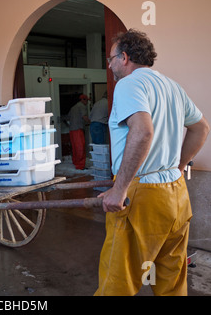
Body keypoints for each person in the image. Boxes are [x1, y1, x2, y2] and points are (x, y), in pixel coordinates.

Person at [95, 29, 210, 296]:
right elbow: (201, 128)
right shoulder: (172, 86)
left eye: (110, 58)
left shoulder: (128, 85)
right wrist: (178, 169)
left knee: (118, 280)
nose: (109, 64)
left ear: (124, 57)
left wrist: (119, 189)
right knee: (170, 279)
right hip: (176, 196)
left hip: (142, 197)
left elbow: (143, 131)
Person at [67, 94, 90, 170]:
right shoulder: (82, 107)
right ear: (83, 100)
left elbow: (68, 118)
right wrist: (91, 122)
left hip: (72, 130)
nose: (87, 102)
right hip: (78, 130)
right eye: (86, 100)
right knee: (81, 148)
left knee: (75, 148)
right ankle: (80, 166)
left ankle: (76, 162)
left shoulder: (73, 107)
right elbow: (85, 117)